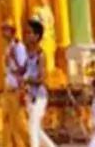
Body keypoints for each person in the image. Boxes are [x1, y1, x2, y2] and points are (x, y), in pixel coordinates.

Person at [26, 19, 55, 147]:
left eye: (30, 33)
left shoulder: (40, 55)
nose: (27, 35)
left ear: (37, 36)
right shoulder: (27, 54)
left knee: (32, 126)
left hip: (39, 96)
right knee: (36, 129)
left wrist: (28, 80)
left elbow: (41, 79)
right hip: (29, 95)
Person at [0, 20, 30, 147]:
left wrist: (23, 90)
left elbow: (23, 69)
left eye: (6, 29)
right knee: (7, 123)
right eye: (3, 29)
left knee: (20, 124)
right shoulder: (8, 48)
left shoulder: (19, 47)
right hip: (8, 89)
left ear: (12, 31)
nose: (3, 33)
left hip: (17, 89)